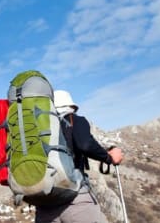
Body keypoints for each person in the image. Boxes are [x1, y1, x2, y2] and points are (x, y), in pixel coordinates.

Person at [34, 90, 125, 223]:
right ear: (72, 107)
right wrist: (109, 157)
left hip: (44, 203)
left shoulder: (39, 129)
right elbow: (85, 145)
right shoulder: (74, 119)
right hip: (74, 200)